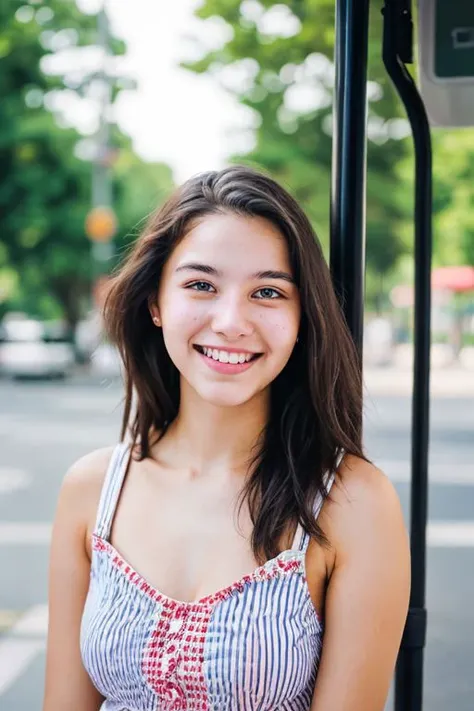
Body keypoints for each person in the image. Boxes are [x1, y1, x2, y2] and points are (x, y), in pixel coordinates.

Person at [43, 166, 410, 711]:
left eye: (267, 291)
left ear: (303, 315)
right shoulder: (93, 490)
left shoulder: (351, 502)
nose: (231, 321)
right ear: (156, 303)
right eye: (200, 285)